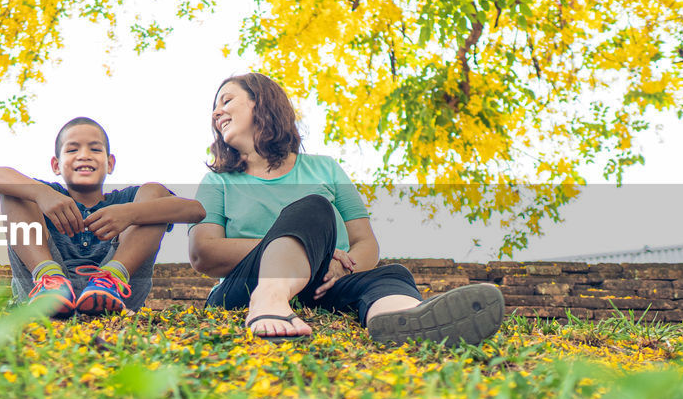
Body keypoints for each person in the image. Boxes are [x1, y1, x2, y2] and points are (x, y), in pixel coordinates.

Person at [187, 73, 504, 344]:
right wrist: (304, 249)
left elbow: (365, 243)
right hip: (246, 284)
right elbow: (203, 252)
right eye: (214, 107)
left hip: (324, 285)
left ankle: (403, 318)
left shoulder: (324, 169)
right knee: (309, 210)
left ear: (261, 102)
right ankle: (269, 299)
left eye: (226, 101)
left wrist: (341, 266)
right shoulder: (218, 183)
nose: (216, 113)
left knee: (389, 273)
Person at [0, 117, 205, 317]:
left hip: (119, 293)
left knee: (154, 193)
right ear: (56, 165)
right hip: (42, 290)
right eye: (72, 150)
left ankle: (111, 280)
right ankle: (50, 280)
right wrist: (41, 193)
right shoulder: (46, 194)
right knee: (15, 189)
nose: (84, 155)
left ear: (110, 163)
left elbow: (196, 211)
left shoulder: (127, 199)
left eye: (95, 150)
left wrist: (131, 213)